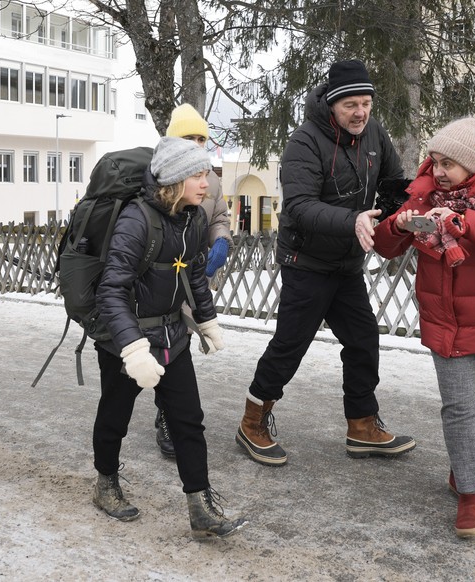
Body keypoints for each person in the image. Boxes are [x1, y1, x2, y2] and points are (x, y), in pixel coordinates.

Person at [235, 59, 416, 466]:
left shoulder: (373, 134)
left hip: (347, 264)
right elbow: (299, 207)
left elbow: (393, 180)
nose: (360, 112)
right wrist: (352, 220)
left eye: (366, 103)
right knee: (290, 345)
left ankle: (362, 426)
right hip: (306, 261)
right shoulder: (304, 142)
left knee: (363, 340)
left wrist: (397, 216)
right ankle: (252, 421)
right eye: (351, 104)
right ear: (332, 104)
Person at [372, 117, 475, 538]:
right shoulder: (423, 195)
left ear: (472, 163)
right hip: (444, 319)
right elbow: (385, 246)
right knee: (460, 410)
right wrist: (397, 224)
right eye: (435, 160)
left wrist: (466, 222)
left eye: (447, 163)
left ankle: (461, 471)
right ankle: (469, 493)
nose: (437, 170)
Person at [91, 136, 247, 539]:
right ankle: (105, 484)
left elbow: (193, 273)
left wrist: (207, 322)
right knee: (115, 416)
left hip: (173, 336)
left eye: (207, 173)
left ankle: (200, 507)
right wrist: (131, 348)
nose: (207, 181)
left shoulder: (193, 217)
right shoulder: (135, 219)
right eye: (198, 174)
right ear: (175, 179)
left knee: (188, 421)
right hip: (126, 340)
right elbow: (111, 290)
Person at [153, 103, 233, 458]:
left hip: (196, 274)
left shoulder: (210, 177)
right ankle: (167, 415)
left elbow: (220, 216)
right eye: (189, 138)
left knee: (178, 346)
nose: (197, 144)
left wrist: (221, 242)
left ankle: (173, 414)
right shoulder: (161, 173)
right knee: (163, 347)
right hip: (164, 276)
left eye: (202, 138)